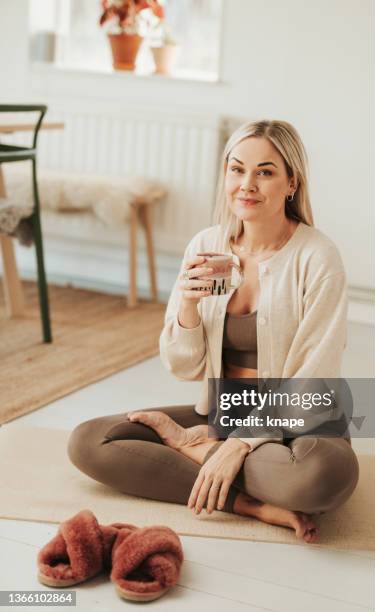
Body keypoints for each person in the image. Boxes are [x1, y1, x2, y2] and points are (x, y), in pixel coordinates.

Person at [67, 119, 359, 544]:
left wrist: (235, 445)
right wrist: (186, 304)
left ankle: (196, 452)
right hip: (221, 414)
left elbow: (313, 377)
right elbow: (183, 365)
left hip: (301, 423)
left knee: (322, 478)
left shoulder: (317, 257)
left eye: (265, 171)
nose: (247, 184)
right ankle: (249, 504)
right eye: (236, 169)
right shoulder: (207, 245)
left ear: (292, 182)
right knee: (90, 441)